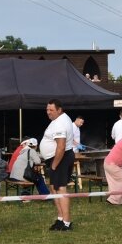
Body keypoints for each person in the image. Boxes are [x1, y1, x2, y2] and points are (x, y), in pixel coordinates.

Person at [41, 98, 75, 231]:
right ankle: (60, 219)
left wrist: (54, 165)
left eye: (51, 110)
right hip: (58, 158)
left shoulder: (60, 123)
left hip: (60, 158)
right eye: (47, 110)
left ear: (59, 110)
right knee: (54, 188)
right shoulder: (59, 120)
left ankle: (66, 222)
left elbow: (61, 147)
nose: (48, 112)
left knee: (60, 189)